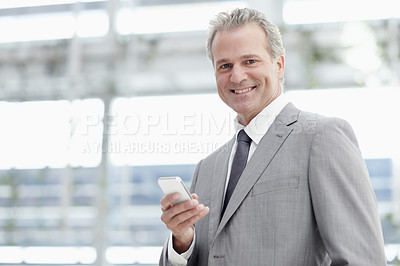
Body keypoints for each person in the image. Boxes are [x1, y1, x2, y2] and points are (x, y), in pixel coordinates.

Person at [159, 7, 386, 266]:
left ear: (279, 65)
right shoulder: (206, 168)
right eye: (225, 65)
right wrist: (182, 240)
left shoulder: (322, 137)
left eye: (250, 61)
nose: (237, 76)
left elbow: (363, 259)